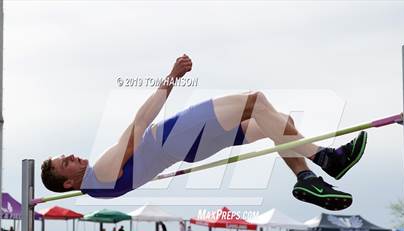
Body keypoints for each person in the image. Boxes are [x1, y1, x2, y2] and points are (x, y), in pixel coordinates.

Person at [41, 55, 368, 212]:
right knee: (255, 101)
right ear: (68, 182)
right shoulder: (101, 173)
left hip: (186, 146)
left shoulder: (98, 186)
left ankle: (307, 179)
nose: (70, 156)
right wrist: (171, 77)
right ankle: (327, 159)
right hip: (176, 136)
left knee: (277, 122)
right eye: (64, 162)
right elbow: (139, 123)